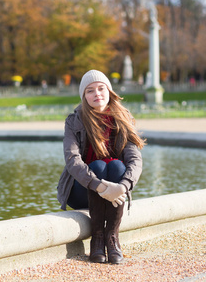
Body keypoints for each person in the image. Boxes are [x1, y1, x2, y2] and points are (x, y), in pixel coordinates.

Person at [57, 69, 145, 264]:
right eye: (90, 90)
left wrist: (122, 187)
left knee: (116, 167)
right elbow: (72, 161)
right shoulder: (74, 121)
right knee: (97, 165)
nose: (96, 94)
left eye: (100, 88)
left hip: (115, 187)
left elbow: (135, 160)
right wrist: (100, 186)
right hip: (83, 189)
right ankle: (97, 238)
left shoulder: (123, 118)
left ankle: (112, 238)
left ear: (109, 91)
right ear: (84, 96)